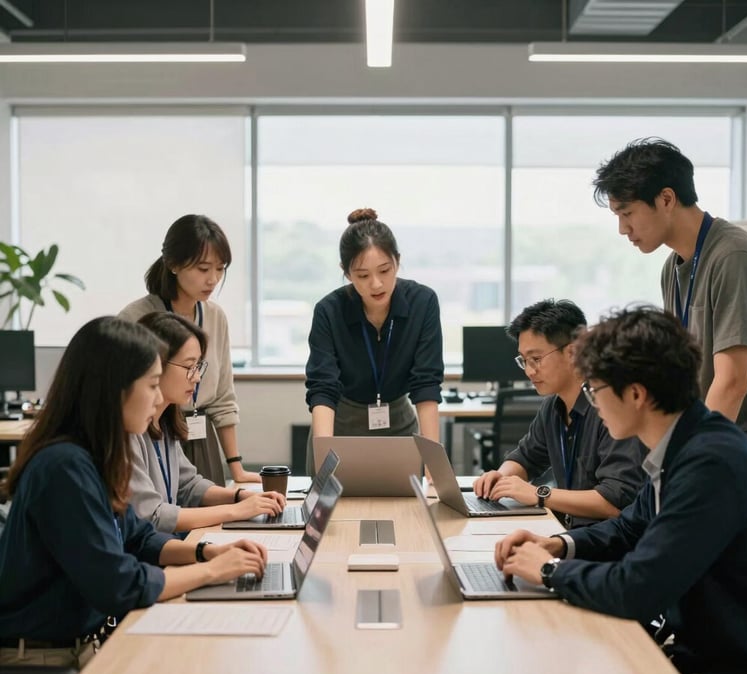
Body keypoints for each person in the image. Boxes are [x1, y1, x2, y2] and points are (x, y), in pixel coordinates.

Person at [489, 306, 747, 674]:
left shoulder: (709, 465)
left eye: (596, 390)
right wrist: (559, 545)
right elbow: (628, 527)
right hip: (686, 663)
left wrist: (549, 571)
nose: (593, 402)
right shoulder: (684, 445)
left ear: (636, 394)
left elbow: (636, 588)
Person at [0, 316, 270, 674]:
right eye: (150, 384)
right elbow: (118, 583)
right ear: (114, 389)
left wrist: (208, 551)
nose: (160, 396)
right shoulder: (65, 468)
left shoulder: (92, 455)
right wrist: (210, 572)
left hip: (80, 660)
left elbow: (140, 538)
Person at [593, 138, 747, 463]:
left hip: (741, 449)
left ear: (667, 199)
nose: (622, 228)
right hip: (705, 441)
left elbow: (731, 384)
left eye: (627, 213)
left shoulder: (734, 257)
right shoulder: (672, 268)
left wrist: (688, 458)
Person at [473, 299, 644, 528]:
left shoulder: (610, 408)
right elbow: (526, 457)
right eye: (523, 361)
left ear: (573, 352)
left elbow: (615, 502)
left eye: (536, 359)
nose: (529, 371)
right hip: (568, 532)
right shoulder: (553, 407)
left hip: (605, 544)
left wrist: (540, 494)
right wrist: (501, 477)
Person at [120, 213, 260, 486]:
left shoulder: (215, 317)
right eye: (203, 269)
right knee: (159, 518)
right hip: (149, 433)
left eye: (220, 269)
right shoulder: (136, 317)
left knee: (210, 517)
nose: (213, 279)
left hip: (200, 434)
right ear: (173, 264)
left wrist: (236, 467)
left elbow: (222, 397)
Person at [304, 207, 444, 473]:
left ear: (398, 261)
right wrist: (324, 455)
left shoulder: (423, 302)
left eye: (384, 270)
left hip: (400, 425)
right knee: (334, 510)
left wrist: (433, 462)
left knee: (408, 509)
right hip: (341, 427)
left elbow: (426, 383)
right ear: (346, 273)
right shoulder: (329, 311)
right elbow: (323, 388)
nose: (377, 284)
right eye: (363, 276)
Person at [129, 311, 285, 532]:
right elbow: (152, 516)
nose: (196, 377)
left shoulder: (165, 420)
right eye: (189, 366)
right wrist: (237, 511)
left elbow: (189, 485)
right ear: (155, 362)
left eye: (199, 366)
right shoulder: (128, 431)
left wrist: (241, 496)